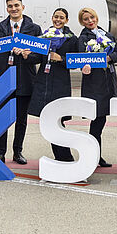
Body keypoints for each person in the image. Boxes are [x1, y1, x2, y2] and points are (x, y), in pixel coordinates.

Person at [0, 0, 42, 165]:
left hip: (25, 80)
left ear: (23, 7)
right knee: (2, 119)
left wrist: (28, 55)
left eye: (16, 5)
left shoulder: (34, 29)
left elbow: (39, 56)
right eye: (10, 6)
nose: (13, 9)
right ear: (7, 9)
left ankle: (17, 151)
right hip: (5, 80)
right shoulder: (0, 29)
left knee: (21, 119)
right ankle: (0, 152)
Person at [29, 8, 79, 162]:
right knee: (48, 120)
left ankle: (65, 156)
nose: (58, 20)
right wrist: (26, 55)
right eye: (56, 17)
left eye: (62, 17)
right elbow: (37, 58)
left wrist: (61, 59)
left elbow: (75, 62)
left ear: (66, 20)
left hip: (60, 83)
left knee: (58, 120)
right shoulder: (45, 37)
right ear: (52, 18)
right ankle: (60, 156)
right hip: (44, 82)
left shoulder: (71, 39)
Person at [77, 6, 117, 168]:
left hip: (108, 81)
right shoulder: (83, 38)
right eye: (86, 19)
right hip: (94, 83)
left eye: (92, 18)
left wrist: (108, 58)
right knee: (96, 120)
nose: (90, 21)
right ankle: (94, 155)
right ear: (82, 22)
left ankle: (96, 155)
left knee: (101, 119)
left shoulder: (107, 35)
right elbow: (81, 57)